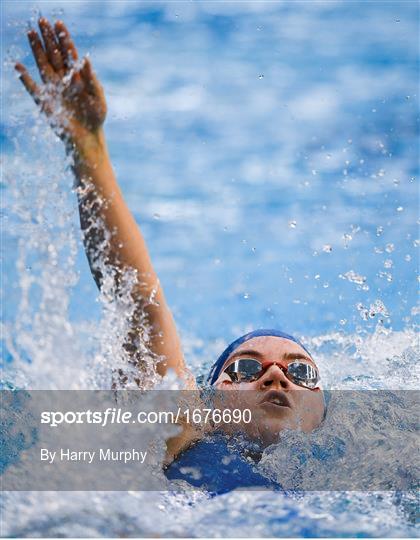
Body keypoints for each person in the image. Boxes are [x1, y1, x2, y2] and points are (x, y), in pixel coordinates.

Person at [16, 18, 325, 492]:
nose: (276, 377)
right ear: (206, 402)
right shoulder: (184, 441)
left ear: (325, 409)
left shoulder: (367, 472)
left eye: (300, 371)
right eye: (244, 368)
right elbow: (139, 302)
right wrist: (88, 148)